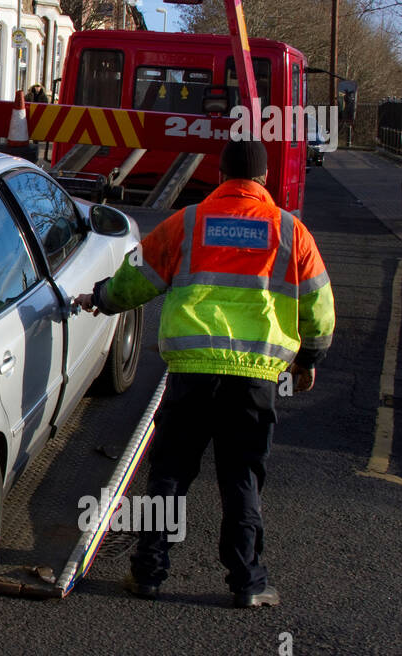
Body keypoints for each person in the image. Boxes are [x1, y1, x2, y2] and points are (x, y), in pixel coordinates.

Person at [74, 139, 334, 608]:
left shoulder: (188, 223)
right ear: (263, 180)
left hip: (191, 375)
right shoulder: (292, 233)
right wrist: (307, 360)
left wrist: (101, 299)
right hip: (255, 380)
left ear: (220, 176)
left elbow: (138, 278)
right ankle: (248, 583)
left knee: (170, 475)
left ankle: (149, 574)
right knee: (242, 478)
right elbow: (320, 308)